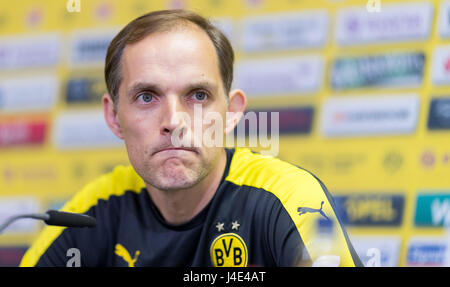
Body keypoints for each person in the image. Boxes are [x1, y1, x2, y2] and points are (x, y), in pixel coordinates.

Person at [20, 9, 362, 267]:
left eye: (197, 95)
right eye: (147, 97)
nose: (174, 122)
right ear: (113, 116)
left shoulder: (288, 198)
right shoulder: (95, 210)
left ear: (230, 113)